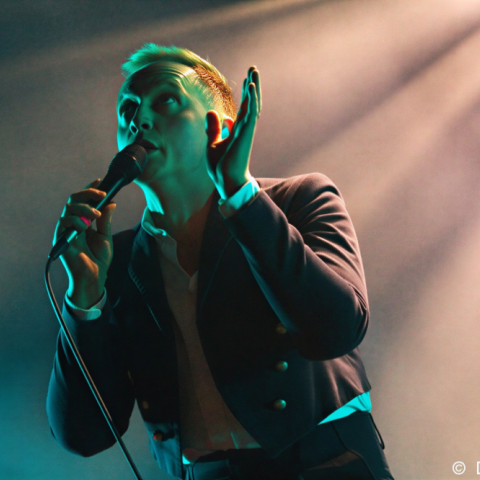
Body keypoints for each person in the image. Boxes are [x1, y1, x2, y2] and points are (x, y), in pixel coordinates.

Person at [47, 43, 394, 480]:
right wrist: (83, 299)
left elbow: (336, 329)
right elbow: (83, 435)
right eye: (128, 109)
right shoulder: (114, 263)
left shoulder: (298, 199)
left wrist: (242, 198)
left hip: (325, 464)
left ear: (220, 129)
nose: (139, 119)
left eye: (165, 100)